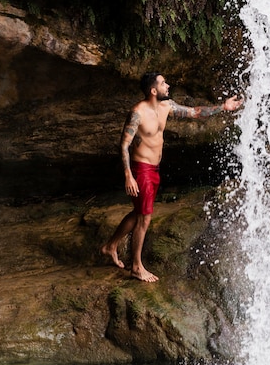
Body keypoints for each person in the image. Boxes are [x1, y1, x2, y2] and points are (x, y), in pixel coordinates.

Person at [100, 72, 243, 282]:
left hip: (155, 169)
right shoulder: (137, 113)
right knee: (144, 217)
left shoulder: (167, 106)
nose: (168, 85)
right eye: (163, 83)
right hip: (142, 170)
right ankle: (137, 267)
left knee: (140, 211)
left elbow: (194, 112)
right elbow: (124, 145)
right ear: (153, 90)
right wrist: (128, 175)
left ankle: (110, 246)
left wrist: (223, 107)